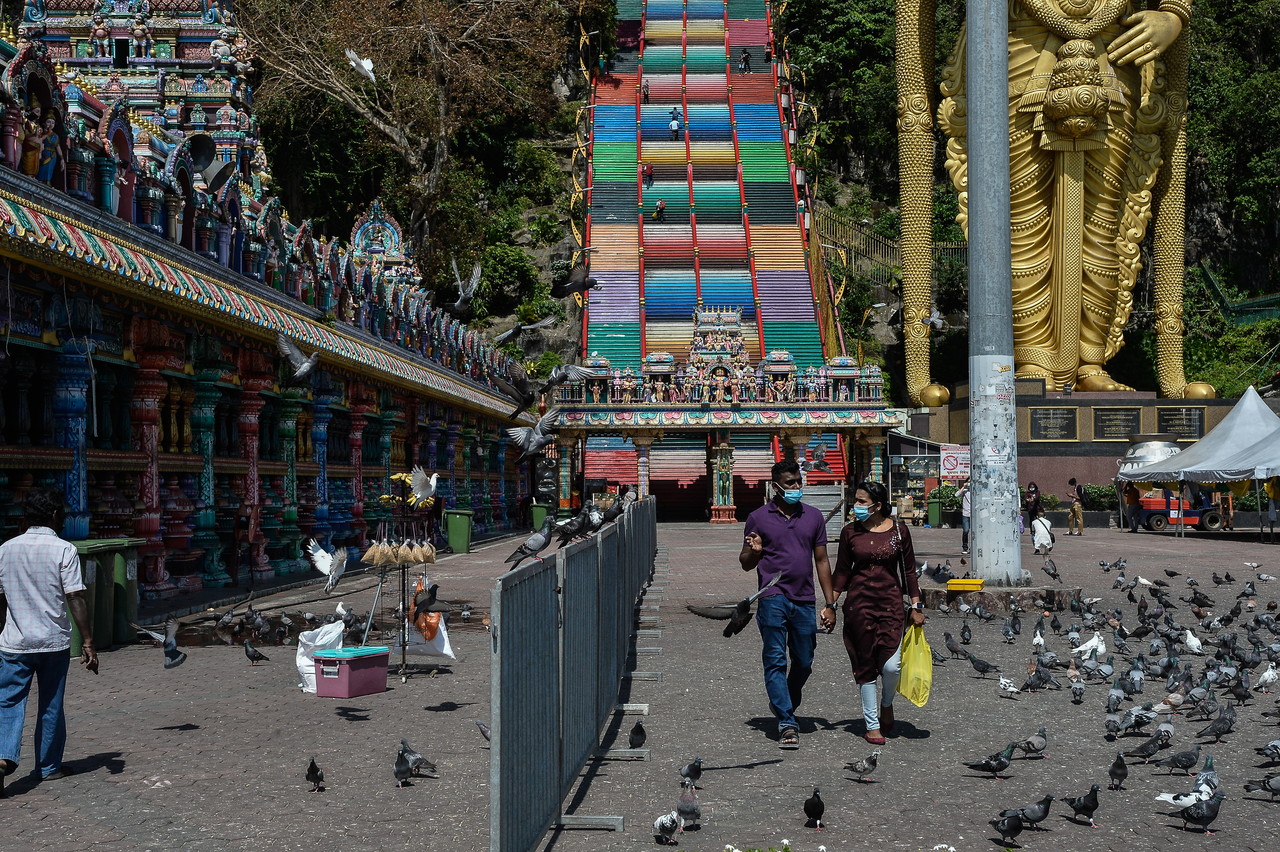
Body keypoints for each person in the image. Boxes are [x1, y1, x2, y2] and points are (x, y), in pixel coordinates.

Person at [0, 487, 99, 795]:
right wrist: (88, 641)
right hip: (53, 643)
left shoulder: (5, 549)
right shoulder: (64, 550)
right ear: (56, 516)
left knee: (8, 702)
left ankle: (3, 758)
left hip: (14, 643)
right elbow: (75, 597)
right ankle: (48, 767)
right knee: (51, 704)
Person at [739, 459, 834, 749]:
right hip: (772, 596)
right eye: (790, 483)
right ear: (776, 486)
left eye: (798, 482)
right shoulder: (758, 517)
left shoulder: (814, 517)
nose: (796, 487)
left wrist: (830, 603)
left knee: (804, 661)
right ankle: (786, 722)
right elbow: (745, 563)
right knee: (776, 659)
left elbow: (821, 560)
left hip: (804, 599)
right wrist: (754, 552)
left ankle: (785, 702)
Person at [830, 480, 924, 745]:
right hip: (858, 607)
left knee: (892, 666)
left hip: (891, 606)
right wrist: (831, 604)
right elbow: (842, 572)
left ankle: (887, 703)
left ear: (878, 505)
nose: (856, 506)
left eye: (861, 502)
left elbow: (908, 572)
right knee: (865, 666)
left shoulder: (900, 531)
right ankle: (872, 725)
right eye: (855, 501)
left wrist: (916, 606)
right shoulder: (850, 532)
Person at [957, 478, 971, 555]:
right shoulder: (965, 492)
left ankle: (973, 547)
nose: (969, 483)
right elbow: (956, 495)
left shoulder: (976, 491)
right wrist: (963, 487)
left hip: (974, 515)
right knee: (966, 531)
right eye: (968, 482)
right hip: (966, 514)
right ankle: (965, 547)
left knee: (974, 532)